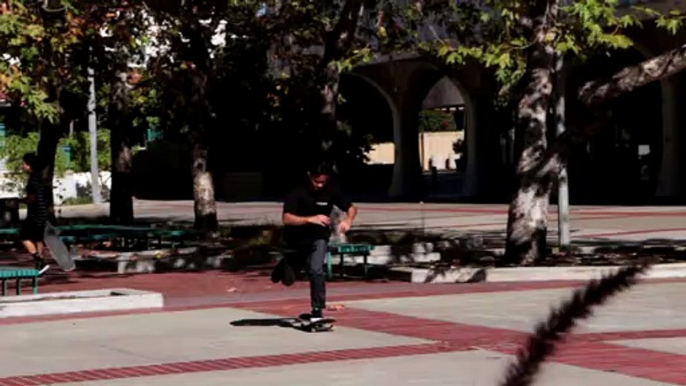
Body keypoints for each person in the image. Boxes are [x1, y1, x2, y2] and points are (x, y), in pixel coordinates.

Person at [271, 162, 357, 322]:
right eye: (316, 181)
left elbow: (351, 208)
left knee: (316, 270)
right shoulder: (297, 191)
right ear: (309, 177)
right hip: (296, 239)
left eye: (323, 182)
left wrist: (348, 220)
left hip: (319, 237)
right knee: (288, 280)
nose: (319, 185)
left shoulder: (331, 190)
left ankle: (317, 310)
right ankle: (285, 265)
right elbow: (287, 219)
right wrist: (311, 219)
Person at [19, 153, 49, 270]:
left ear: (28, 165)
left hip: (34, 213)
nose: (23, 166)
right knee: (38, 237)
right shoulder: (39, 177)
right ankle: (40, 264)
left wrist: (20, 201)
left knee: (24, 236)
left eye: (24, 163)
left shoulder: (32, 180)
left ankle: (38, 259)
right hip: (42, 213)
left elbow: (31, 199)